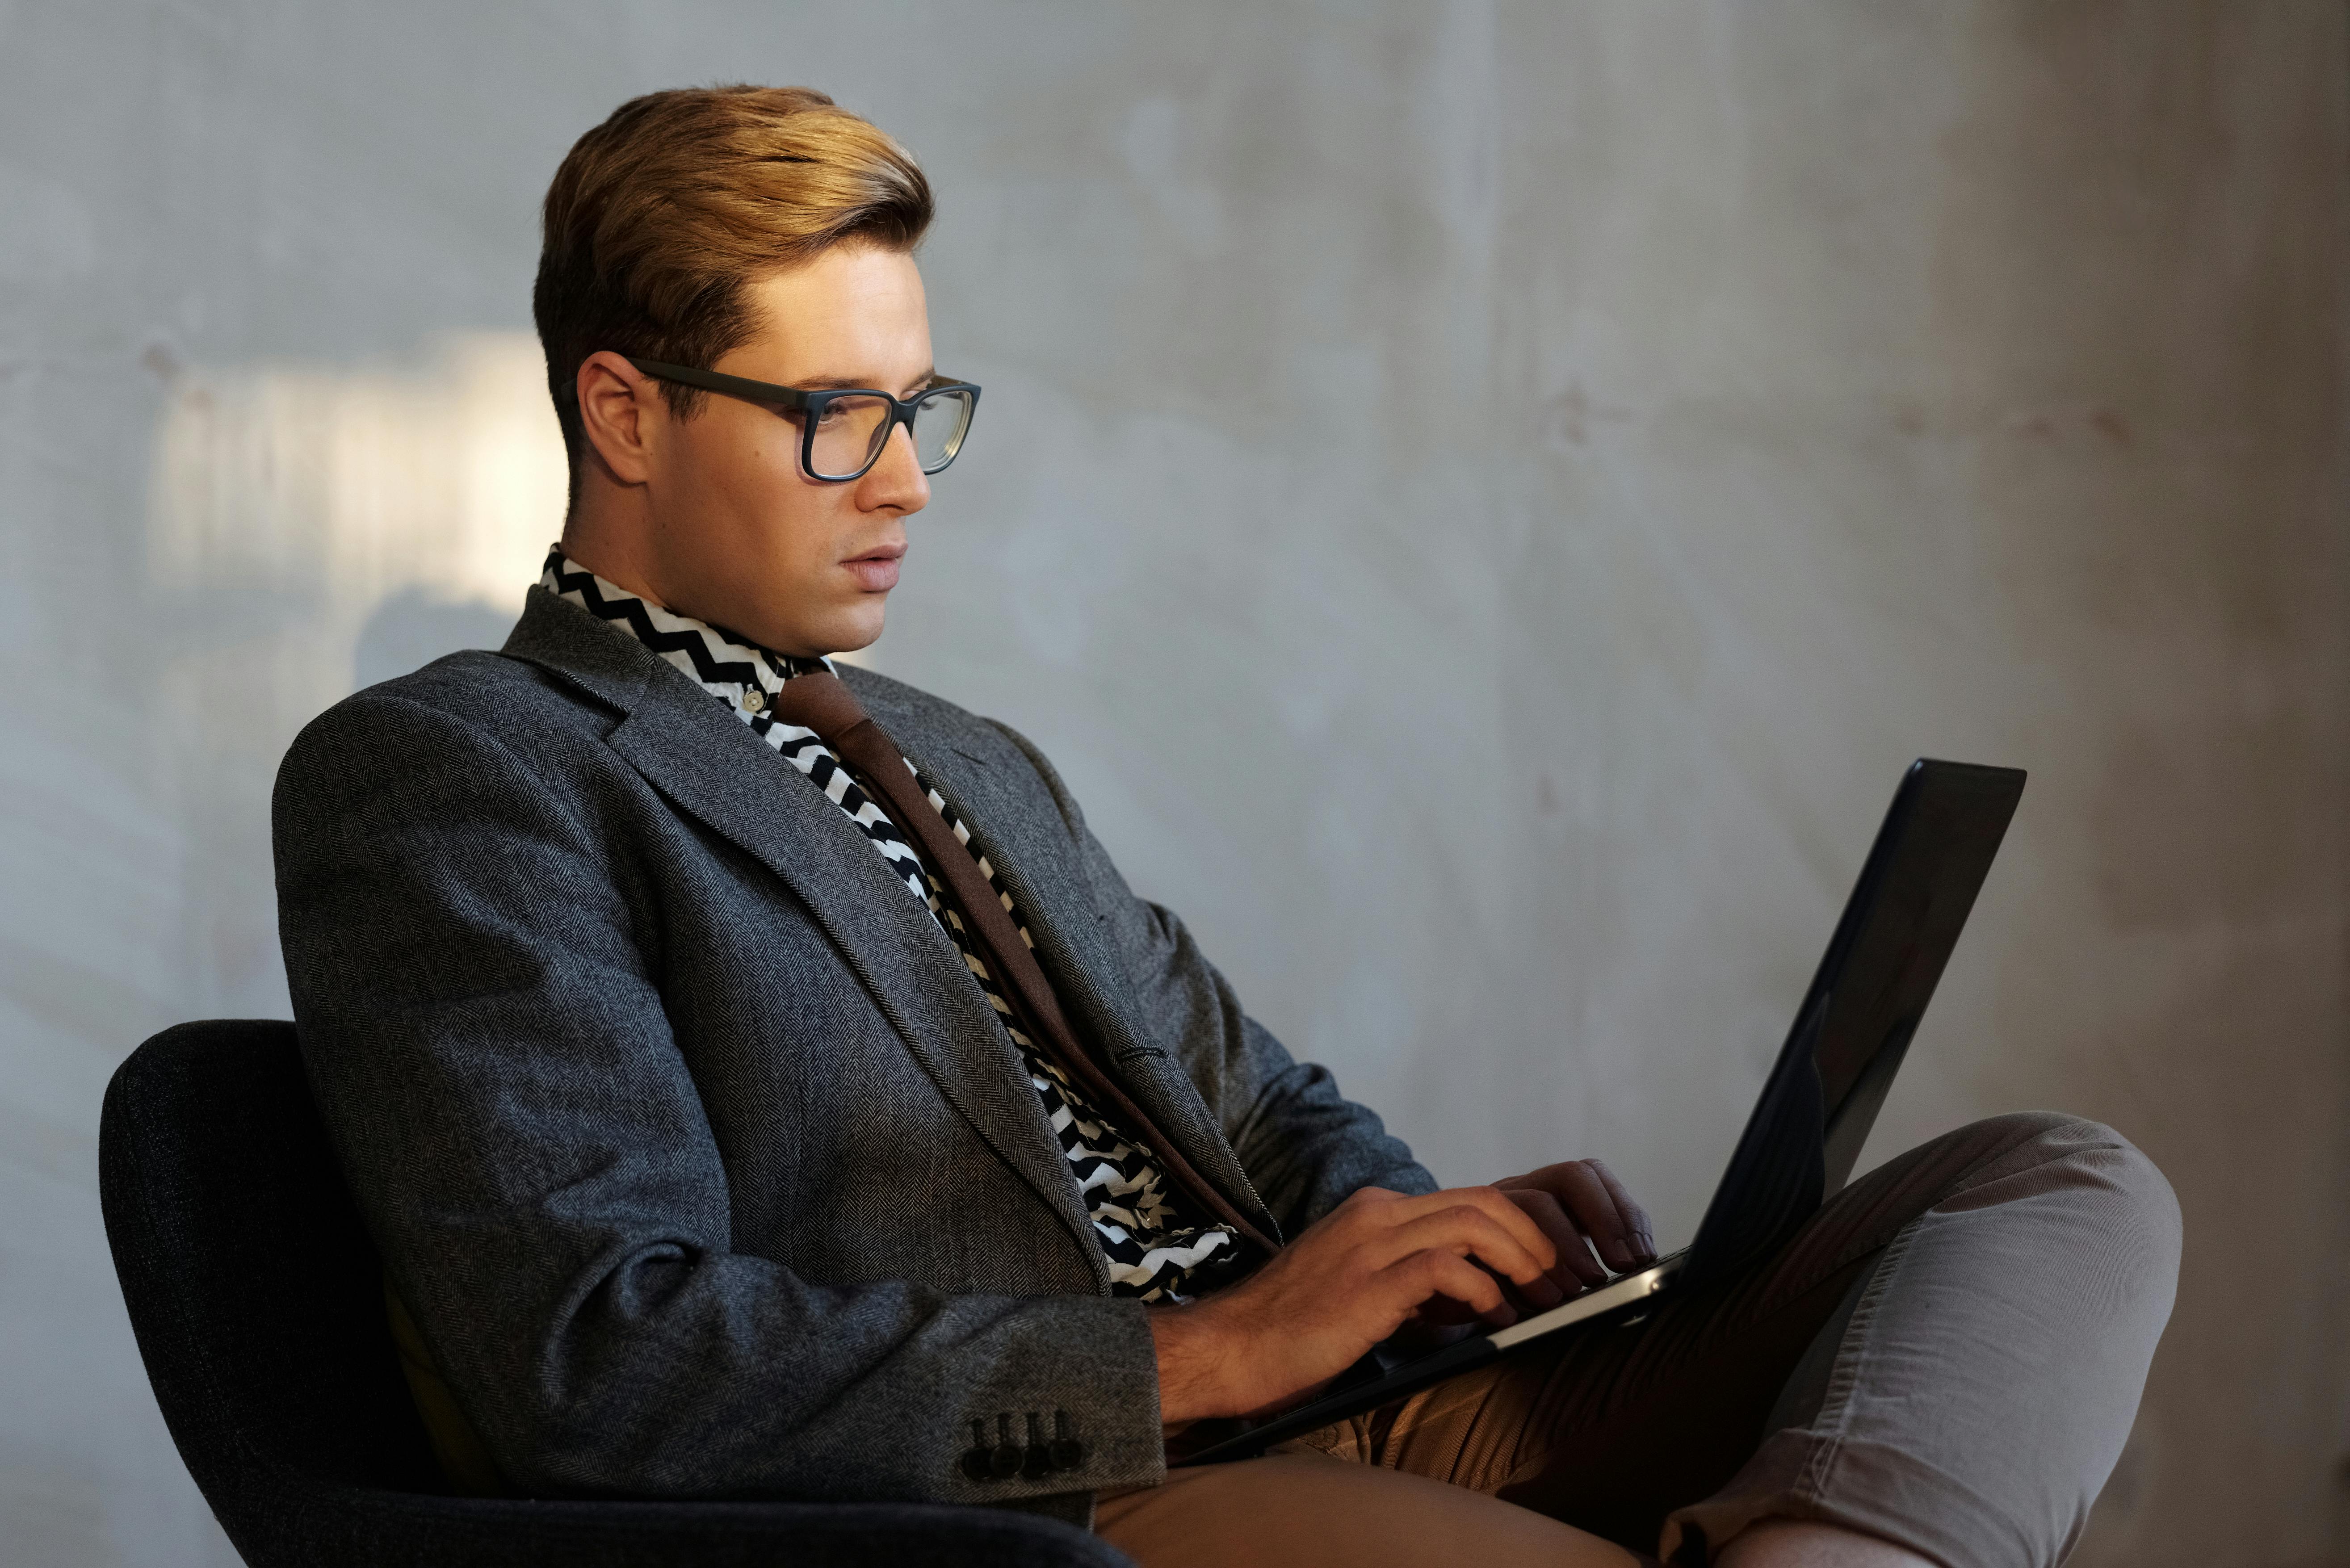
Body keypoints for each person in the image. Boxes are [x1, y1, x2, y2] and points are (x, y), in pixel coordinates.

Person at [273, 85, 2181, 1568]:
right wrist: (1206, 1359)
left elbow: (1257, 1099)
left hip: (1373, 1399)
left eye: (917, 412)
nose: (906, 487)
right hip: (1087, 1486)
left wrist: (1416, 1233)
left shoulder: (966, 753)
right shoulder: (466, 772)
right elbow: (601, 1359)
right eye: (833, 416)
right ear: (625, 410)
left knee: (2060, 1184)